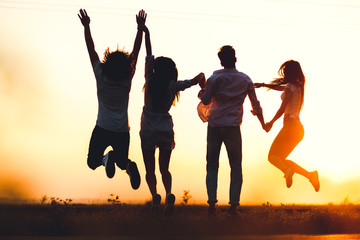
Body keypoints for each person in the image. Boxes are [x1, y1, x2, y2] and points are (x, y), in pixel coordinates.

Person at [138, 15, 205, 216]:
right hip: (165, 129)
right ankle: (168, 194)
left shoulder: (150, 79)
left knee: (150, 170)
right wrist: (202, 80)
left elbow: (148, 54)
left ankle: (155, 196)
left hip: (148, 129)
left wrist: (145, 31)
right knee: (164, 169)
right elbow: (194, 80)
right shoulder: (172, 85)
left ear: (155, 70)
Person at [78, 9, 144, 189]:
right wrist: (140, 29)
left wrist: (86, 27)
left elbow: (90, 49)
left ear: (107, 62)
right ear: (126, 65)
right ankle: (129, 167)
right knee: (122, 163)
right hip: (122, 130)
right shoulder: (128, 76)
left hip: (103, 128)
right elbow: (136, 51)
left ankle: (106, 159)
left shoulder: (100, 74)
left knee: (92, 162)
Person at [199, 45, 266, 216]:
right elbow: (256, 105)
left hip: (214, 126)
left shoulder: (214, 79)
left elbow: (206, 100)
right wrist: (263, 123)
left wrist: (202, 90)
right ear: (235, 59)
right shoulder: (245, 79)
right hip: (233, 127)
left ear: (221, 61)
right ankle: (233, 206)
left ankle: (212, 205)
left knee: (212, 165)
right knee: (236, 166)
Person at [254, 60, 320, 192]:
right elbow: (283, 88)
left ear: (290, 72)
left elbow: (283, 107)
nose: (283, 73)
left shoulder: (291, 86)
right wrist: (264, 85)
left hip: (290, 126)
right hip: (297, 129)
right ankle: (310, 175)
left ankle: (287, 171)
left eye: (285, 71)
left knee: (272, 157)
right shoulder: (298, 86)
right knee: (280, 159)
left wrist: (271, 122)